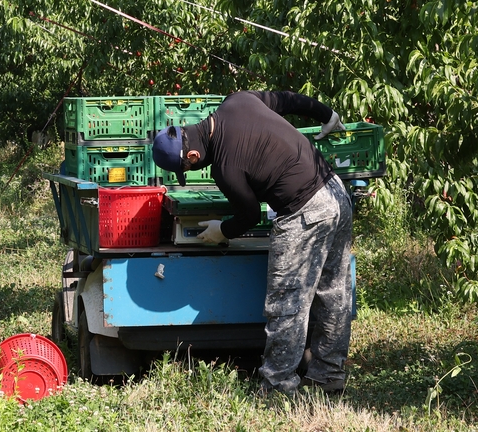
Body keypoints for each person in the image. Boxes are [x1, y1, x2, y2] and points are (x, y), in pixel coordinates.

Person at [151, 90, 352, 397]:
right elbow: (288, 100)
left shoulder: (225, 168)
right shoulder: (237, 101)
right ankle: (328, 377)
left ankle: (278, 388)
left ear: (192, 156)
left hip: (305, 211)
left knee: (287, 303)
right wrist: (327, 115)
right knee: (333, 294)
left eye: (188, 169)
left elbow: (248, 214)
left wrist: (223, 230)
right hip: (336, 192)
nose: (194, 170)